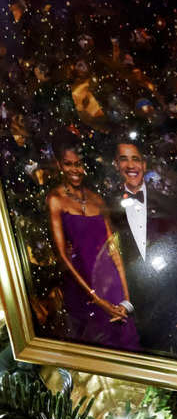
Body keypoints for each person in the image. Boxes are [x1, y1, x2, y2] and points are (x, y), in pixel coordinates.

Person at [109, 139, 177, 357]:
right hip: (145, 319)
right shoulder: (112, 213)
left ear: (144, 165)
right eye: (124, 159)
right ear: (117, 165)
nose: (130, 165)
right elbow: (117, 267)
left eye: (135, 159)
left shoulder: (166, 204)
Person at [46, 135, 139, 350]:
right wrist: (96, 298)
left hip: (112, 283)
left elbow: (114, 249)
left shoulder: (97, 199)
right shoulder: (55, 199)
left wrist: (126, 299)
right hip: (84, 286)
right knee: (100, 348)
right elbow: (61, 254)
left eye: (78, 164)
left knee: (127, 342)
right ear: (59, 165)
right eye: (68, 164)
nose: (74, 170)